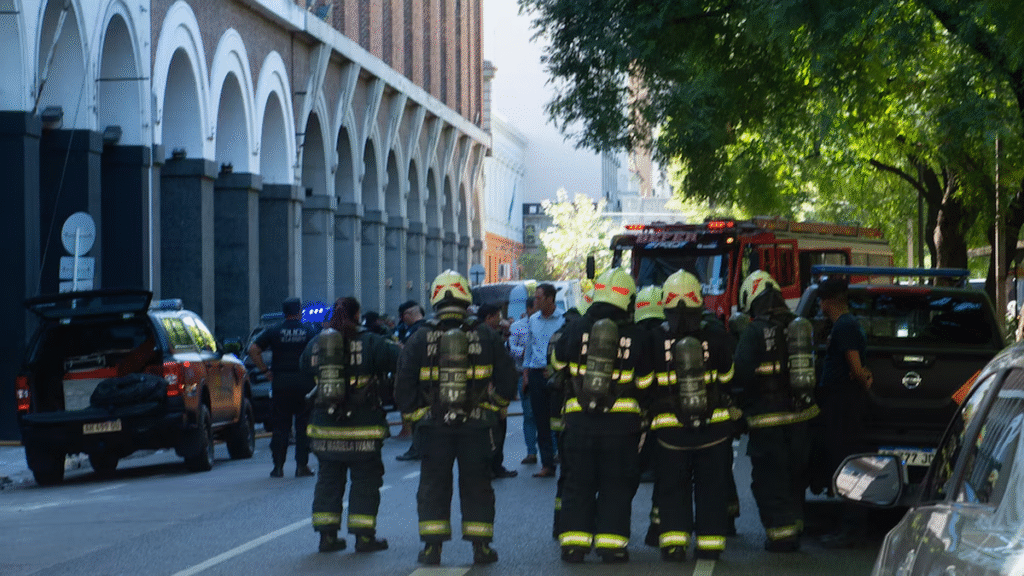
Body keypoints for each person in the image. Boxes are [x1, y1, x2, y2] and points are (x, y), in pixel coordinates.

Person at [394, 270, 517, 565]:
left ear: (435, 297)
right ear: (465, 297)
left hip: (434, 427)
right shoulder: (486, 334)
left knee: (433, 485)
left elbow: (402, 385)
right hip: (477, 427)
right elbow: (508, 380)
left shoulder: (420, 337)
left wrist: (417, 416)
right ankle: (481, 548)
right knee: (477, 485)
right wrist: (493, 408)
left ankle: (431, 549)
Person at [551, 267, 653, 564]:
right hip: (621, 428)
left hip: (579, 423)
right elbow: (646, 382)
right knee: (616, 485)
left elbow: (557, 364)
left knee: (577, 483)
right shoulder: (637, 334)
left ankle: (573, 546)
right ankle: (612, 546)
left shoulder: (576, 327)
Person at [645, 272, 738, 562]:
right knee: (711, 487)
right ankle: (710, 545)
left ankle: (673, 545)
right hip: (714, 430)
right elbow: (729, 377)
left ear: (665, 303)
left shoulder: (655, 338)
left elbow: (644, 383)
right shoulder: (716, 334)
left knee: (673, 489)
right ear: (699, 301)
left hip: (671, 432)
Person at [302, 296, 401, 553]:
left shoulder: (317, 343)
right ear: (358, 315)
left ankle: (327, 538)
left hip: (326, 428)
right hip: (363, 427)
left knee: (328, 481)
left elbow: (304, 367)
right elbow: (398, 361)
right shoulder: (372, 342)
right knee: (365, 482)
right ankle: (364, 538)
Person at [733, 270, 820, 552]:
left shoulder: (754, 332)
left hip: (767, 419)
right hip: (802, 417)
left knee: (770, 479)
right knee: (795, 475)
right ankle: (795, 525)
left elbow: (741, 375)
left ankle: (782, 536)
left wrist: (739, 408)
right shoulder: (798, 326)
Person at [816, 276, 873, 548]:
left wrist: (863, 379)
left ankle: (852, 527)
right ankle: (850, 524)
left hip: (843, 404)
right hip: (844, 402)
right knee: (847, 461)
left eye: (821, 300)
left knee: (847, 463)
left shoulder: (845, 326)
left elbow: (855, 365)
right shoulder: (844, 325)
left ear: (828, 301)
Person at [249, 297, 319, 478]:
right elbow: (319, 352)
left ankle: (278, 467)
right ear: (300, 312)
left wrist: (265, 370)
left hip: (281, 382)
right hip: (304, 382)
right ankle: (301, 466)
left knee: (281, 426)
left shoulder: (274, 330)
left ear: (284, 312)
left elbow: (253, 349)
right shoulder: (309, 330)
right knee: (304, 426)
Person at [523, 283, 565, 478]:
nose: (536, 301)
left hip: (556, 376)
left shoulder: (564, 319)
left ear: (550, 299)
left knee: (560, 420)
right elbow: (529, 348)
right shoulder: (532, 320)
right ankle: (547, 464)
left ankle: (566, 460)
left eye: (539, 298)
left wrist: (556, 369)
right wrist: (526, 373)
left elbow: (567, 350)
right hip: (536, 375)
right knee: (541, 421)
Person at [479, 303, 517, 479]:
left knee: (494, 432)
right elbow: (502, 367)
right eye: (497, 316)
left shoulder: (481, 335)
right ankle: (492, 467)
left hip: (485, 394)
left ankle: (494, 466)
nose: (500, 320)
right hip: (491, 394)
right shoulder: (488, 337)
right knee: (495, 432)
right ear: (489, 317)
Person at [507, 294, 540, 464]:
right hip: (524, 375)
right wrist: (527, 352)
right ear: (528, 309)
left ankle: (552, 452)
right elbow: (512, 349)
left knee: (547, 414)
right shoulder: (517, 327)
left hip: (543, 374)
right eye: (536, 306)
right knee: (529, 414)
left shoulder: (547, 324)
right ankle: (531, 452)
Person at [396, 300, 428, 460]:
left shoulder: (417, 331)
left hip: (417, 379)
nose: (402, 320)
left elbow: (411, 354)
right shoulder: (426, 328)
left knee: (417, 415)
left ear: (408, 315)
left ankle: (417, 448)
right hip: (425, 380)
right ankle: (418, 446)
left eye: (403, 317)